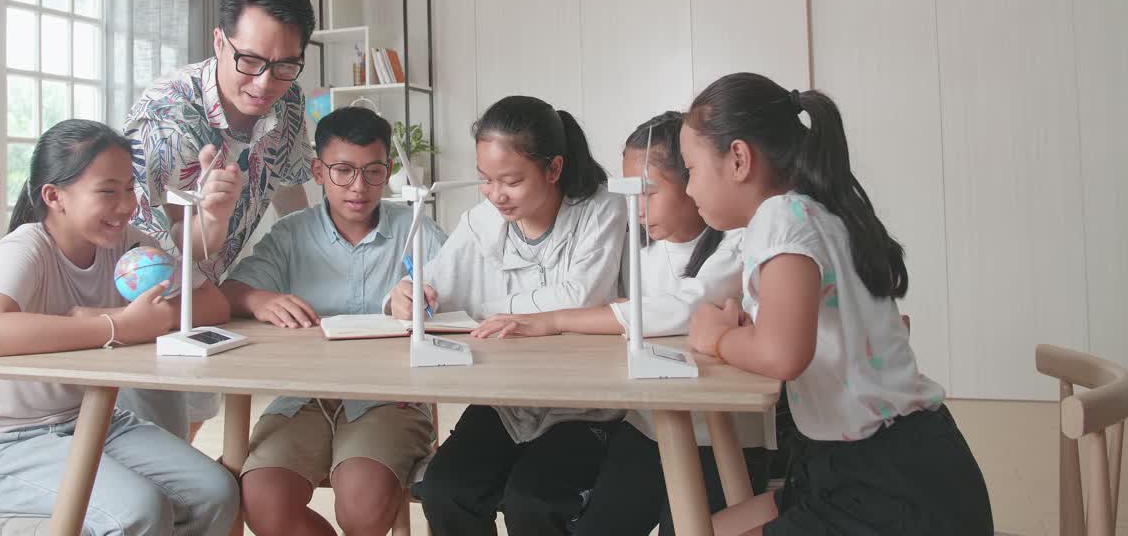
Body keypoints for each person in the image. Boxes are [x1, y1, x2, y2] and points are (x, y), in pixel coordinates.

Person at [681, 73, 993, 535]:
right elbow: (808, 326)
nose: (688, 190)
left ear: (739, 159)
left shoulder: (779, 216)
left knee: (694, 527)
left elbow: (783, 355)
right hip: (895, 465)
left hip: (888, 491)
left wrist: (718, 336)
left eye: (691, 170)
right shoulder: (820, 209)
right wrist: (752, 326)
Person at [473, 111, 771, 535]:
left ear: (692, 179)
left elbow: (683, 307)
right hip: (648, 429)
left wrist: (557, 318)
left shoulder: (739, 243)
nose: (637, 209)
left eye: (647, 192)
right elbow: (628, 310)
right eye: (629, 194)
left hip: (725, 437)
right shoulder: (640, 247)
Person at [0, 119, 238, 536]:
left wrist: (144, 320)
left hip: (92, 422)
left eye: (129, 189)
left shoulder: (128, 245)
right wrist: (117, 324)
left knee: (216, 491)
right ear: (55, 197)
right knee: (140, 509)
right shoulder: (27, 245)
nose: (125, 205)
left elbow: (212, 302)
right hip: (4, 443)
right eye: (108, 191)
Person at [388, 95, 628, 536]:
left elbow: (580, 298)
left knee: (532, 502)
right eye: (485, 180)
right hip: (508, 402)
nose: (496, 195)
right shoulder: (483, 220)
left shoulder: (601, 208)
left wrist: (495, 305)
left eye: (511, 181)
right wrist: (407, 294)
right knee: (445, 490)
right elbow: (435, 286)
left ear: (553, 169)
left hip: (584, 406)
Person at [223, 107, 445, 535]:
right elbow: (231, 292)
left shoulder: (416, 228)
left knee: (360, 510)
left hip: (389, 399)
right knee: (262, 501)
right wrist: (258, 297)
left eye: (373, 171)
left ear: (389, 171)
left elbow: (462, 295)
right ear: (317, 171)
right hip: (303, 397)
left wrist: (422, 297)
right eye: (343, 171)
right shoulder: (290, 234)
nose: (358, 187)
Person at [121, 0, 318, 438]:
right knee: (147, 449)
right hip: (149, 295)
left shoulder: (287, 99)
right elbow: (143, 242)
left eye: (286, 65)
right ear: (218, 40)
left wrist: (315, 258)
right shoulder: (167, 113)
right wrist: (232, 293)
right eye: (249, 60)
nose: (264, 82)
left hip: (209, 293)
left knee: (187, 441)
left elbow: (290, 187)